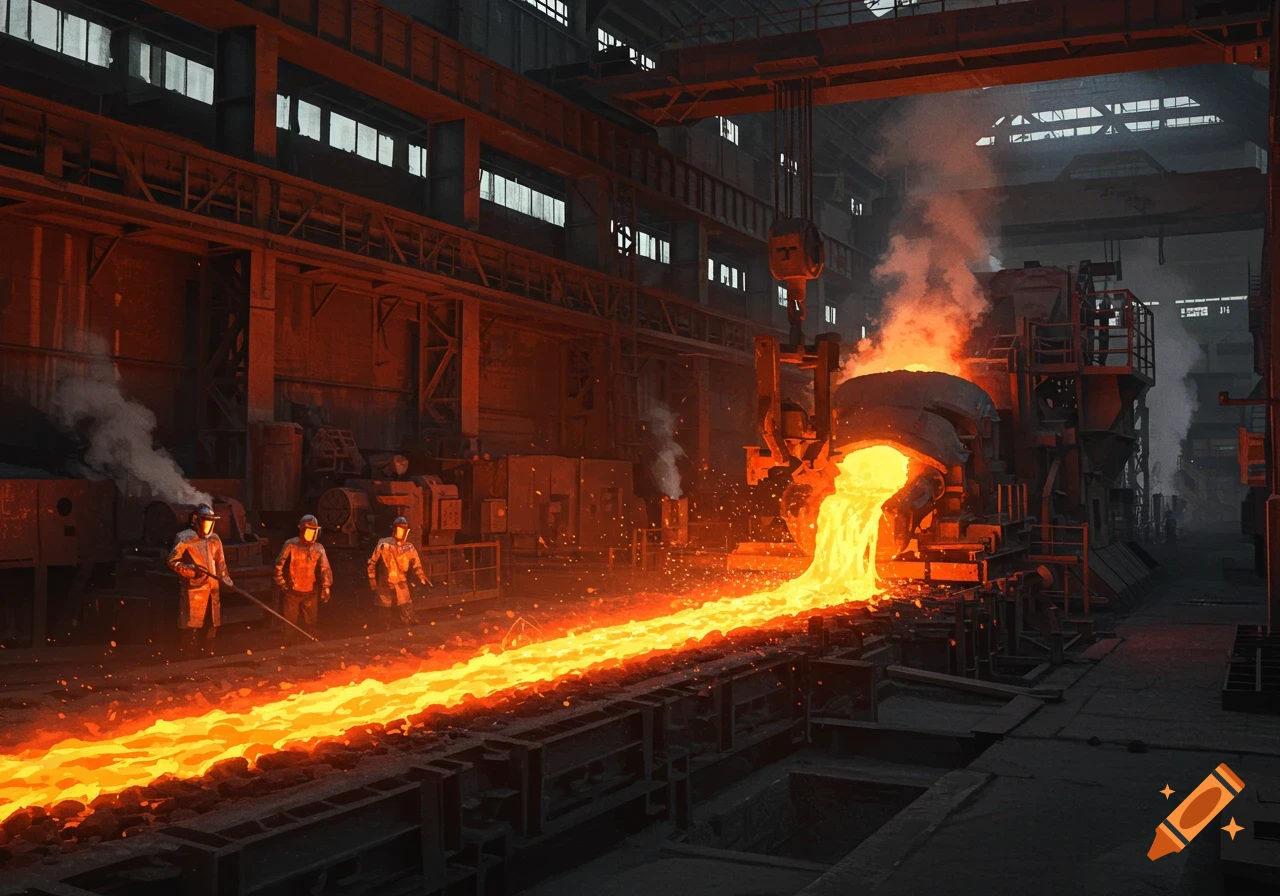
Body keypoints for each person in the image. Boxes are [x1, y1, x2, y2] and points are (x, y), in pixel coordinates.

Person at [167, 504, 232, 656]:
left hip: (212, 588)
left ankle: (208, 655)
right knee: (191, 624)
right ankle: (189, 656)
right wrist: (189, 570)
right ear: (196, 521)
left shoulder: (215, 539)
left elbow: (221, 562)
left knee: (211, 622)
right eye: (205, 522)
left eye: (211, 522)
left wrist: (226, 579)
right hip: (194, 589)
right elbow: (172, 561)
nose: (208, 526)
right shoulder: (185, 538)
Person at [273, 514, 332, 644]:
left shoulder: (318, 548)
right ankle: (289, 648)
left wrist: (326, 586)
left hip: (310, 592)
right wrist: (281, 582)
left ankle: (309, 648)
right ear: (302, 530)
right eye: (309, 531)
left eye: (314, 531)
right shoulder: (290, 545)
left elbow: (325, 568)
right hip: (293, 592)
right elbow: (278, 565)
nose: (312, 535)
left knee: (311, 622)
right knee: (290, 622)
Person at [367, 516, 430, 628]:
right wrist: (372, 578)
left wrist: (421, 575)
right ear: (394, 529)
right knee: (384, 603)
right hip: (385, 579)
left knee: (405, 601)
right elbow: (372, 562)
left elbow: (417, 564)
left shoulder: (409, 547)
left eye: (403, 529)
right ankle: (384, 624)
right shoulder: (383, 544)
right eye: (399, 529)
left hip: (401, 579)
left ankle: (408, 621)